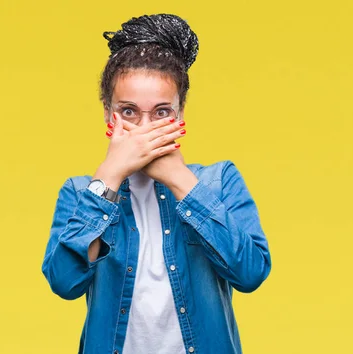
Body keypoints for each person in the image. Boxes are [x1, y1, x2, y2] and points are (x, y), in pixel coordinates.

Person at [41, 13, 272, 354]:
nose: (145, 127)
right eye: (130, 111)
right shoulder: (80, 192)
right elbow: (64, 282)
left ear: (180, 115)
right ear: (108, 113)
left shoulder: (218, 181)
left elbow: (251, 273)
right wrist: (108, 178)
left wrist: (181, 181)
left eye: (161, 112)